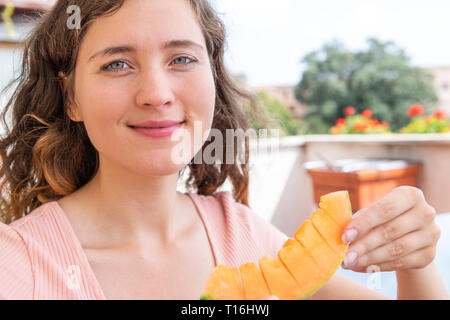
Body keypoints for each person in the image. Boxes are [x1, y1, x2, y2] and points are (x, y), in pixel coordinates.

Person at [0, 0, 448, 300]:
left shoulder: (240, 235)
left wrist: (416, 261)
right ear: (71, 97)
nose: (156, 93)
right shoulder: (16, 265)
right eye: (117, 63)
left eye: (182, 59)